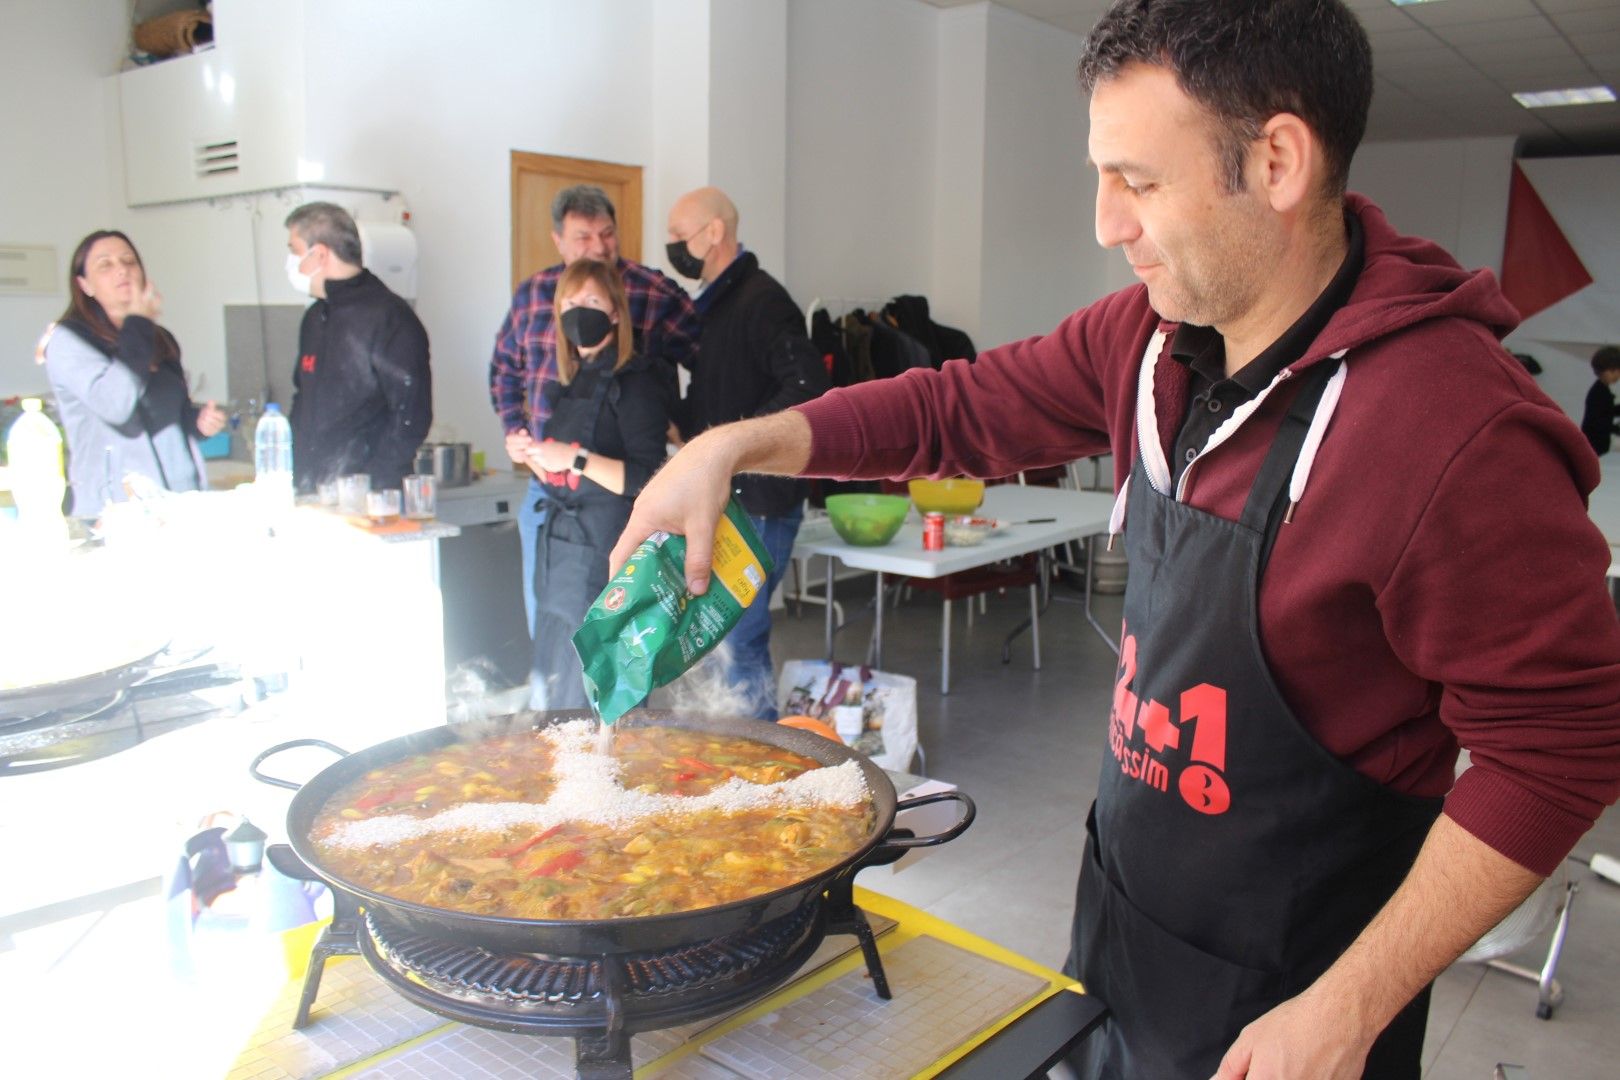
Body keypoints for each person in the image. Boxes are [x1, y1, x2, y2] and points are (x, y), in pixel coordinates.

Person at [610, 2, 1620, 1077]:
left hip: (1305, 998)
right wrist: (730, 445)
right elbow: (953, 409)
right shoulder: (1147, 343)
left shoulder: (1452, 428)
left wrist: (1351, 1004)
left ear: (1277, 160)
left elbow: (1558, 746)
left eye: (1138, 181)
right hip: (1126, 929)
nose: (1106, 222)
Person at [490, 184, 699, 638]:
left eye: (607, 234)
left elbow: (707, 355)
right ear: (559, 241)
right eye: (584, 237)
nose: (599, 246)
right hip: (550, 491)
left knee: (611, 633)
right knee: (551, 619)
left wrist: (685, 426)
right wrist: (519, 436)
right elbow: (504, 371)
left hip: (617, 501)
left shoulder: (651, 291)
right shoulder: (533, 295)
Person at [665, 187, 829, 718]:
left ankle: (762, 772)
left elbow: (807, 388)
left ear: (714, 232)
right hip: (728, 498)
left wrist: (736, 448)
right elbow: (716, 399)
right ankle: (730, 760)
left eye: (677, 236)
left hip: (761, 502)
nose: (671, 247)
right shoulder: (710, 309)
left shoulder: (763, 301)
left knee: (738, 637)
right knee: (719, 635)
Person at [524, 258, 672, 709]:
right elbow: (564, 477)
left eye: (590, 300)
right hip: (560, 550)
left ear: (614, 312)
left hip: (605, 551)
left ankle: (606, 772)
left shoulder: (637, 379)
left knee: (597, 678)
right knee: (556, 675)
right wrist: (534, 458)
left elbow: (648, 475)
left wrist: (575, 457)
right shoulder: (573, 379)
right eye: (569, 301)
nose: (577, 311)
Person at [42, 230, 227, 518]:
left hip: (179, 498)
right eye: (105, 265)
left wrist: (198, 422)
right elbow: (116, 405)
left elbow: (171, 417)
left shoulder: (158, 338)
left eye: (129, 261)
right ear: (84, 285)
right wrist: (138, 322)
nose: (121, 270)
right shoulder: (69, 341)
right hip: (117, 508)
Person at [284, 202, 431, 492]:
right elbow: (303, 400)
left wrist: (371, 485)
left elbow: (411, 416)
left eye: (294, 250)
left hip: (371, 497)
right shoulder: (315, 317)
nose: (290, 261)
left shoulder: (389, 317)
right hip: (312, 487)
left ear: (321, 254)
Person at [1580, 345, 1620, 456]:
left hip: (1598, 442)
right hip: (1593, 442)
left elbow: (1607, 411)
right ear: (1606, 371)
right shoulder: (1598, 393)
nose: (1618, 375)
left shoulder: (1602, 390)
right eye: (1615, 371)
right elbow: (1598, 421)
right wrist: (1615, 428)